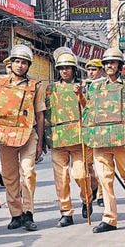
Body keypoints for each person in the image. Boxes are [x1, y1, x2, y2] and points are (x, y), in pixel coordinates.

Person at [0, 44, 46, 232]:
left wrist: (40, 141)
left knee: (28, 173)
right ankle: (16, 214)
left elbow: (40, 114)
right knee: (9, 176)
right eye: (17, 62)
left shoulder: (35, 86)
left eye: (24, 63)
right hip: (5, 136)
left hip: (28, 134)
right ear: (11, 63)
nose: (20, 66)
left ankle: (28, 213)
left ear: (28, 66)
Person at [82, 47, 125, 233]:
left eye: (113, 62)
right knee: (104, 179)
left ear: (120, 66)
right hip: (100, 141)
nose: (109, 66)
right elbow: (88, 112)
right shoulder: (94, 87)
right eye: (107, 63)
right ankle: (110, 219)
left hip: (123, 138)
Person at [44, 48, 93, 227]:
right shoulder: (50, 89)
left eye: (68, 67)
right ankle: (66, 212)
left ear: (74, 69)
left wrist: (80, 95)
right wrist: (43, 140)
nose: (64, 71)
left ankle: (87, 199)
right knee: (61, 178)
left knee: (80, 175)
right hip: (57, 139)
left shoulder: (84, 87)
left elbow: (89, 110)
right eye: (62, 68)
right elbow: (46, 114)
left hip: (79, 139)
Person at [84, 59, 105, 207]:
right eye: (89, 70)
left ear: (101, 71)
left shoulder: (105, 85)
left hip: (101, 130)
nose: (91, 72)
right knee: (87, 166)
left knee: (102, 166)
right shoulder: (84, 86)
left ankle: (102, 195)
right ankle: (94, 186)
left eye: (94, 69)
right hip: (87, 130)